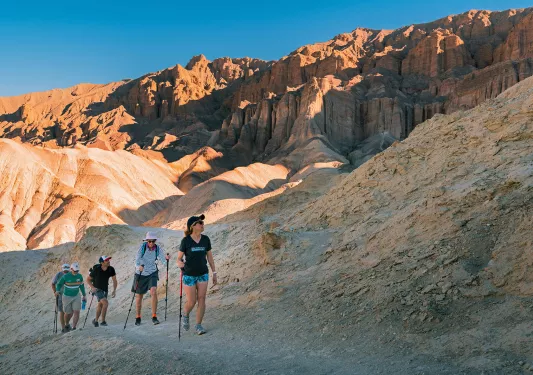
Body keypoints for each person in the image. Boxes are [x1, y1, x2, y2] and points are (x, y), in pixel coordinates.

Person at [177, 214, 217, 335]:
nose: (202, 224)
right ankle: (185, 314)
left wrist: (214, 272)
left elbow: (210, 257)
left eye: (202, 223)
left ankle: (198, 325)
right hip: (189, 275)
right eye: (200, 223)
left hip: (203, 274)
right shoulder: (186, 241)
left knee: (202, 299)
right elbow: (178, 258)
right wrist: (180, 264)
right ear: (193, 226)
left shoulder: (206, 239)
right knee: (192, 301)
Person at [132, 232, 170, 325]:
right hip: (141, 273)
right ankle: (138, 317)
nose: (151, 243)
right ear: (146, 241)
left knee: (153, 291)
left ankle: (154, 316)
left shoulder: (157, 248)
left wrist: (167, 259)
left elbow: (163, 260)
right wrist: (138, 267)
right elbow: (136, 260)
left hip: (152, 272)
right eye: (149, 241)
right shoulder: (142, 247)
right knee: (139, 296)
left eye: (153, 241)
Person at [55, 262, 87, 331]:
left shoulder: (80, 276)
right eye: (75, 271)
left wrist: (84, 295)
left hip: (76, 295)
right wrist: (57, 290)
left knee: (77, 311)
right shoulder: (65, 276)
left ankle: (74, 327)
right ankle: (67, 324)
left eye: (77, 271)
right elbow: (59, 284)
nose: (76, 272)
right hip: (67, 296)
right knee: (67, 313)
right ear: (71, 269)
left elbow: (81, 286)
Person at [87, 255, 117, 327]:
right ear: (102, 262)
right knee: (105, 303)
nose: (108, 261)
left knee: (100, 305)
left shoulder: (111, 269)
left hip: (105, 289)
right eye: (106, 260)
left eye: (108, 260)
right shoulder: (97, 269)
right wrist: (92, 287)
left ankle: (95, 321)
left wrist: (114, 290)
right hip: (97, 289)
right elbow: (88, 279)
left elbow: (114, 280)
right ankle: (103, 321)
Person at [51, 263, 70, 333]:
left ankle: (67, 324)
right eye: (64, 270)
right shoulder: (58, 274)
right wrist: (55, 292)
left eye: (67, 271)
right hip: (60, 296)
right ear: (62, 269)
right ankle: (63, 328)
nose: (65, 272)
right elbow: (53, 283)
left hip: (69, 295)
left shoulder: (71, 274)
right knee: (62, 311)